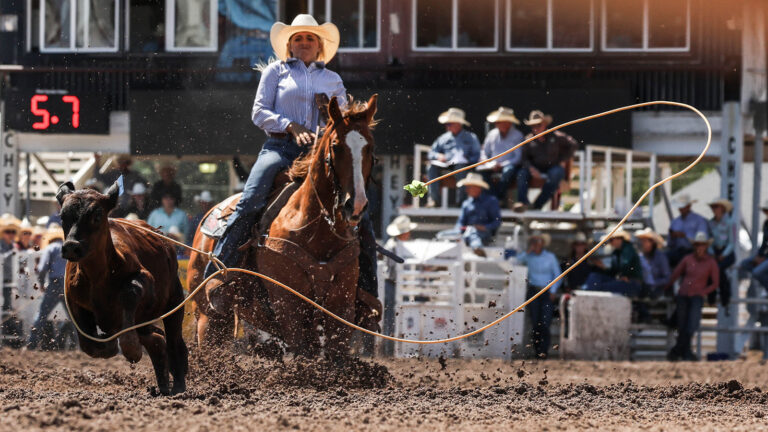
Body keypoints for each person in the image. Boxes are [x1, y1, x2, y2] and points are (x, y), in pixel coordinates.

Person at [205, 15, 379, 304]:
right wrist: (290, 125)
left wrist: (329, 135)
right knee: (251, 199)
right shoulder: (275, 72)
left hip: (321, 154)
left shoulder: (332, 79)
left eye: (310, 38)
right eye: (298, 38)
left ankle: (366, 292)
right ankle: (219, 273)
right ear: (290, 45)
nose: (304, 43)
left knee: (362, 213)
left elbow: (344, 123)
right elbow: (259, 112)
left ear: (319, 44)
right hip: (279, 148)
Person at [666, 231, 719, 361]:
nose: (699, 247)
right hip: (683, 294)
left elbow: (715, 283)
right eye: (697, 245)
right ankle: (686, 353)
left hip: (696, 296)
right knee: (683, 325)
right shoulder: (688, 259)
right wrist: (668, 288)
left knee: (691, 325)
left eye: (702, 245)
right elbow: (675, 275)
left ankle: (677, 351)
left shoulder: (710, 262)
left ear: (706, 246)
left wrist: (703, 292)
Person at [514, 110, 577, 212]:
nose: (536, 128)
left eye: (538, 125)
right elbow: (523, 158)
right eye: (533, 126)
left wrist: (563, 160)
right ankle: (523, 202)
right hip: (535, 168)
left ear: (545, 124)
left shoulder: (556, 136)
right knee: (521, 173)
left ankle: (537, 205)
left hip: (553, 167)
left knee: (556, 173)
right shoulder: (528, 140)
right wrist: (531, 169)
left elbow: (573, 144)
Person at [516, 230, 561, 359]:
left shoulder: (550, 257)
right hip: (534, 291)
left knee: (545, 322)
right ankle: (537, 352)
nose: (536, 243)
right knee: (536, 322)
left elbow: (557, 275)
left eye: (538, 241)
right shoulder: (528, 256)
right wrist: (527, 252)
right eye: (534, 241)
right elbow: (516, 261)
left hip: (546, 292)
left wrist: (553, 291)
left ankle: (544, 351)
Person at [426, 107, 481, 207]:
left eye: (449, 124)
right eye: (447, 124)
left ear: (458, 124)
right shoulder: (443, 138)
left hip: (464, 165)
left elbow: (476, 155)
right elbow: (431, 153)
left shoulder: (471, 137)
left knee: (461, 167)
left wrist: (467, 160)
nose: (447, 126)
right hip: (446, 164)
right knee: (431, 167)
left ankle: (461, 202)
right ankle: (434, 200)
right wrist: (438, 155)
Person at [381, 215, 417, 355]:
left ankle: (392, 346)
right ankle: (389, 347)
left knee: (394, 314)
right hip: (393, 283)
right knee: (390, 314)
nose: (409, 234)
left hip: (399, 283)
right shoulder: (393, 246)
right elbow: (396, 267)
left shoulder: (398, 245)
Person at [27, 225, 67, 350]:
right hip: (67, 285)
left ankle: (31, 344)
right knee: (75, 317)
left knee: (42, 315)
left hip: (54, 283)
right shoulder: (67, 248)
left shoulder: (50, 248)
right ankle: (84, 346)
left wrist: (41, 284)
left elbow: (42, 268)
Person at [479, 107, 524, 205]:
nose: (497, 124)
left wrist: (502, 165)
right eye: (497, 122)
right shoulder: (491, 134)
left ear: (508, 122)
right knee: (480, 172)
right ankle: (494, 198)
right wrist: (490, 163)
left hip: (509, 166)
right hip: (492, 165)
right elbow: (484, 153)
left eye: (500, 121)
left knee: (508, 171)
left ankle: (497, 198)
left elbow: (518, 158)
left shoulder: (518, 135)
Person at [584, 229, 643, 297]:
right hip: (622, 281)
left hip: (632, 283)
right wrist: (603, 267)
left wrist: (624, 275)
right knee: (593, 276)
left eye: (611, 240)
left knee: (601, 287)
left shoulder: (628, 248)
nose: (610, 243)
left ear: (619, 239)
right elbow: (613, 272)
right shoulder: (616, 252)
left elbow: (626, 264)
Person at [454, 173, 501, 257]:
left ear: (477, 188)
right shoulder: (466, 203)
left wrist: (484, 227)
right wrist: (458, 232)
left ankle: (477, 247)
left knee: (473, 232)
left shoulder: (491, 201)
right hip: (467, 233)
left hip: (485, 235)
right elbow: (460, 222)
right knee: (442, 235)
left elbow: (497, 222)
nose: (466, 190)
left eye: (469, 187)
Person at [707, 198, 736, 307]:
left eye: (716, 207)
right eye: (713, 207)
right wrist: (711, 252)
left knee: (717, 270)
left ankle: (714, 298)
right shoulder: (711, 223)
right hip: (715, 252)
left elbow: (732, 242)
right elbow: (709, 241)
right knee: (715, 271)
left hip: (727, 252)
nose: (714, 209)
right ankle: (723, 297)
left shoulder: (730, 223)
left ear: (722, 209)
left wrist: (723, 255)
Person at [667, 194, 708, 267]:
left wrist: (685, 235)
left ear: (689, 206)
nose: (680, 209)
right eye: (679, 207)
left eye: (682, 206)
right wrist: (672, 237)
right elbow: (670, 244)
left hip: (693, 252)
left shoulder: (699, 220)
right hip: (678, 251)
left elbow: (703, 239)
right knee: (663, 258)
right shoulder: (675, 222)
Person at [739, 199, 768, 293]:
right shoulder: (766, 224)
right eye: (765, 211)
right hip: (765, 256)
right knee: (745, 264)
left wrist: (763, 258)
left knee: (757, 272)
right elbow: (764, 243)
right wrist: (759, 255)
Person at [635, 227, 671, 299]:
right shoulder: (640, 256)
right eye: (642, 241)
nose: (643, 244)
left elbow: (667, 278)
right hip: (643, 287)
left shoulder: (661, 257)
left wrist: (654, 282)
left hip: (657, 289)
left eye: (645, 241)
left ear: (652, 243)